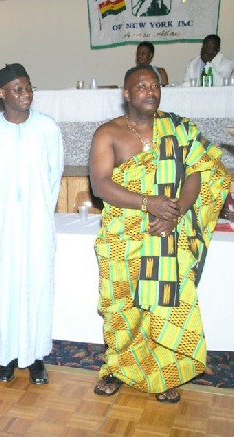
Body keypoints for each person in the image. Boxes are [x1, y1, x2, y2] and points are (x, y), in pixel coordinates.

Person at [90, 65, 231, 403]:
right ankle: (117, 368)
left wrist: (175, 212)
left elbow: (197, 171)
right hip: (123, 237)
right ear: (127, 94)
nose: (150, 91)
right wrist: (148, 202)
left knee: (164, 305)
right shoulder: (108, 134)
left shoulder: (178, 128)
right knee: (122, 306)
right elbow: (101, 184)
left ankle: (164, 373)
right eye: (141, 86)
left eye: (155, 85)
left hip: (167, 233)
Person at [0, 63, 64, 384]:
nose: (26, 94)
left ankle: (37, 355)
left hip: (38, 224)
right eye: (18, 89)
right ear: (1, 93)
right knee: (3, 287)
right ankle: (7, 355)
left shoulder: (48, 128)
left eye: (28, 88)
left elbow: (55, 177)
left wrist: (38, 212)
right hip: (1, 228)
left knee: (37, 286)